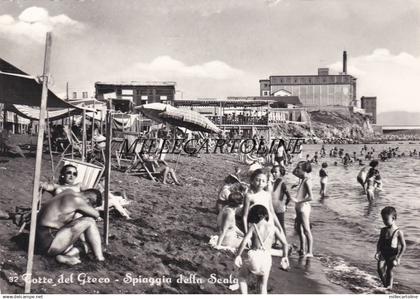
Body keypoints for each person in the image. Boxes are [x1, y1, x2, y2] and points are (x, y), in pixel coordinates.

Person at [36, 189, 105, 265]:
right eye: (91, 206)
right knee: (90, 221)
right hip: (48, 240)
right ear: (88, 200)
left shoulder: (68, 192)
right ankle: (100, 259)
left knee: (84, 246)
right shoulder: (77, 200)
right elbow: (96, 214)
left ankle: (66, 256)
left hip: (39, 239)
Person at [235, 205, 289, 294]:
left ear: (257, 215)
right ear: (265, 215)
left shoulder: (254, 227)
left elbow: (244, 241)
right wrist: (284, 257)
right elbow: (285, 244)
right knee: (262, 285)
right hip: (266, 257)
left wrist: (238, 255)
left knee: (242, 277)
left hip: (254, 255)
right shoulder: (273, 228)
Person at [242, 169, 283, 236]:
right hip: (254, 225)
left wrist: (279, 227)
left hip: (268, 224)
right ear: (252, 181)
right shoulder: (249, 196)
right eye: (257, 180)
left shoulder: (267, 195)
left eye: (263, 181)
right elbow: (245, 216)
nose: (260, 183)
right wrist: (246, 233)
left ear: (266, 183)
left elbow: (272, 213)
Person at [375, 207, 406, 289]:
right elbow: (379, 242)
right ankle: (385, 284)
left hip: (392, 254)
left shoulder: (398, 232)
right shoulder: (383, 230)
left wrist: (399, 257)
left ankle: (389, 286)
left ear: (393, 218)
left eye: (386, 219)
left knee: (389, 270)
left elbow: (404, 246)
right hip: (383, 252)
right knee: (379, 269)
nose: (384, 221)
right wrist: (377, 252)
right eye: (383, 219)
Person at [292, 161, 314, 257]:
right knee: (299, 228)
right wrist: (298, 165)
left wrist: (298, 201)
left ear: (304, 170)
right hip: (299, 207)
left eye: (299, 168)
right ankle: (302, 249)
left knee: (306, 229)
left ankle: (310, 252)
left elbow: (311, 197)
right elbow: (294, 172)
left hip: (303, 207)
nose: (297, 170)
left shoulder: (307, 180)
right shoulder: (303, 179)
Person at [270, 165, 291, 234]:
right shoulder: (274, 182)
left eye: (275, 172)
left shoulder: (283, 183)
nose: (273, 173)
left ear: (281, 173)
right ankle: (276, 241)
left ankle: (283, 242)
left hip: (279, 208)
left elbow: (289, 197)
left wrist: (285, 205)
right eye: (273, 172)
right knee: (274, 225)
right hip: (273, 208)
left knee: (281, 225)